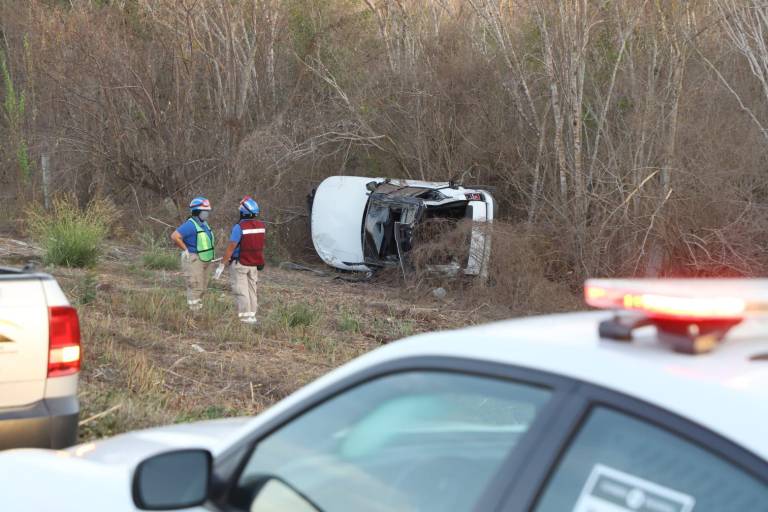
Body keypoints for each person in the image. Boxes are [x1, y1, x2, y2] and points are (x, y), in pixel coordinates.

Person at [216, 196, 265, 324]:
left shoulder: (239, 227)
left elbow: (231, 247)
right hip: (254, 264)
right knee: (252, 291)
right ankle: (252, 317)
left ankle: (245, 319)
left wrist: (221, 265)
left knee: (241, 291)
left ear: (242, 212)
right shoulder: (261, 226)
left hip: (240, 264)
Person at [171, 196, 215, 312]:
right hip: (194, 259)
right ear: (196, 212)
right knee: (195, 286)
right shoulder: (190, 225)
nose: (207, 214)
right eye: (205, 211)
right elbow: (175, 236)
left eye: (207, 211)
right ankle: (193, 313)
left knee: (202, 287)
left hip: (205, 259)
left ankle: (198, 309)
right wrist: (185, 249)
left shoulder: (204, 224)